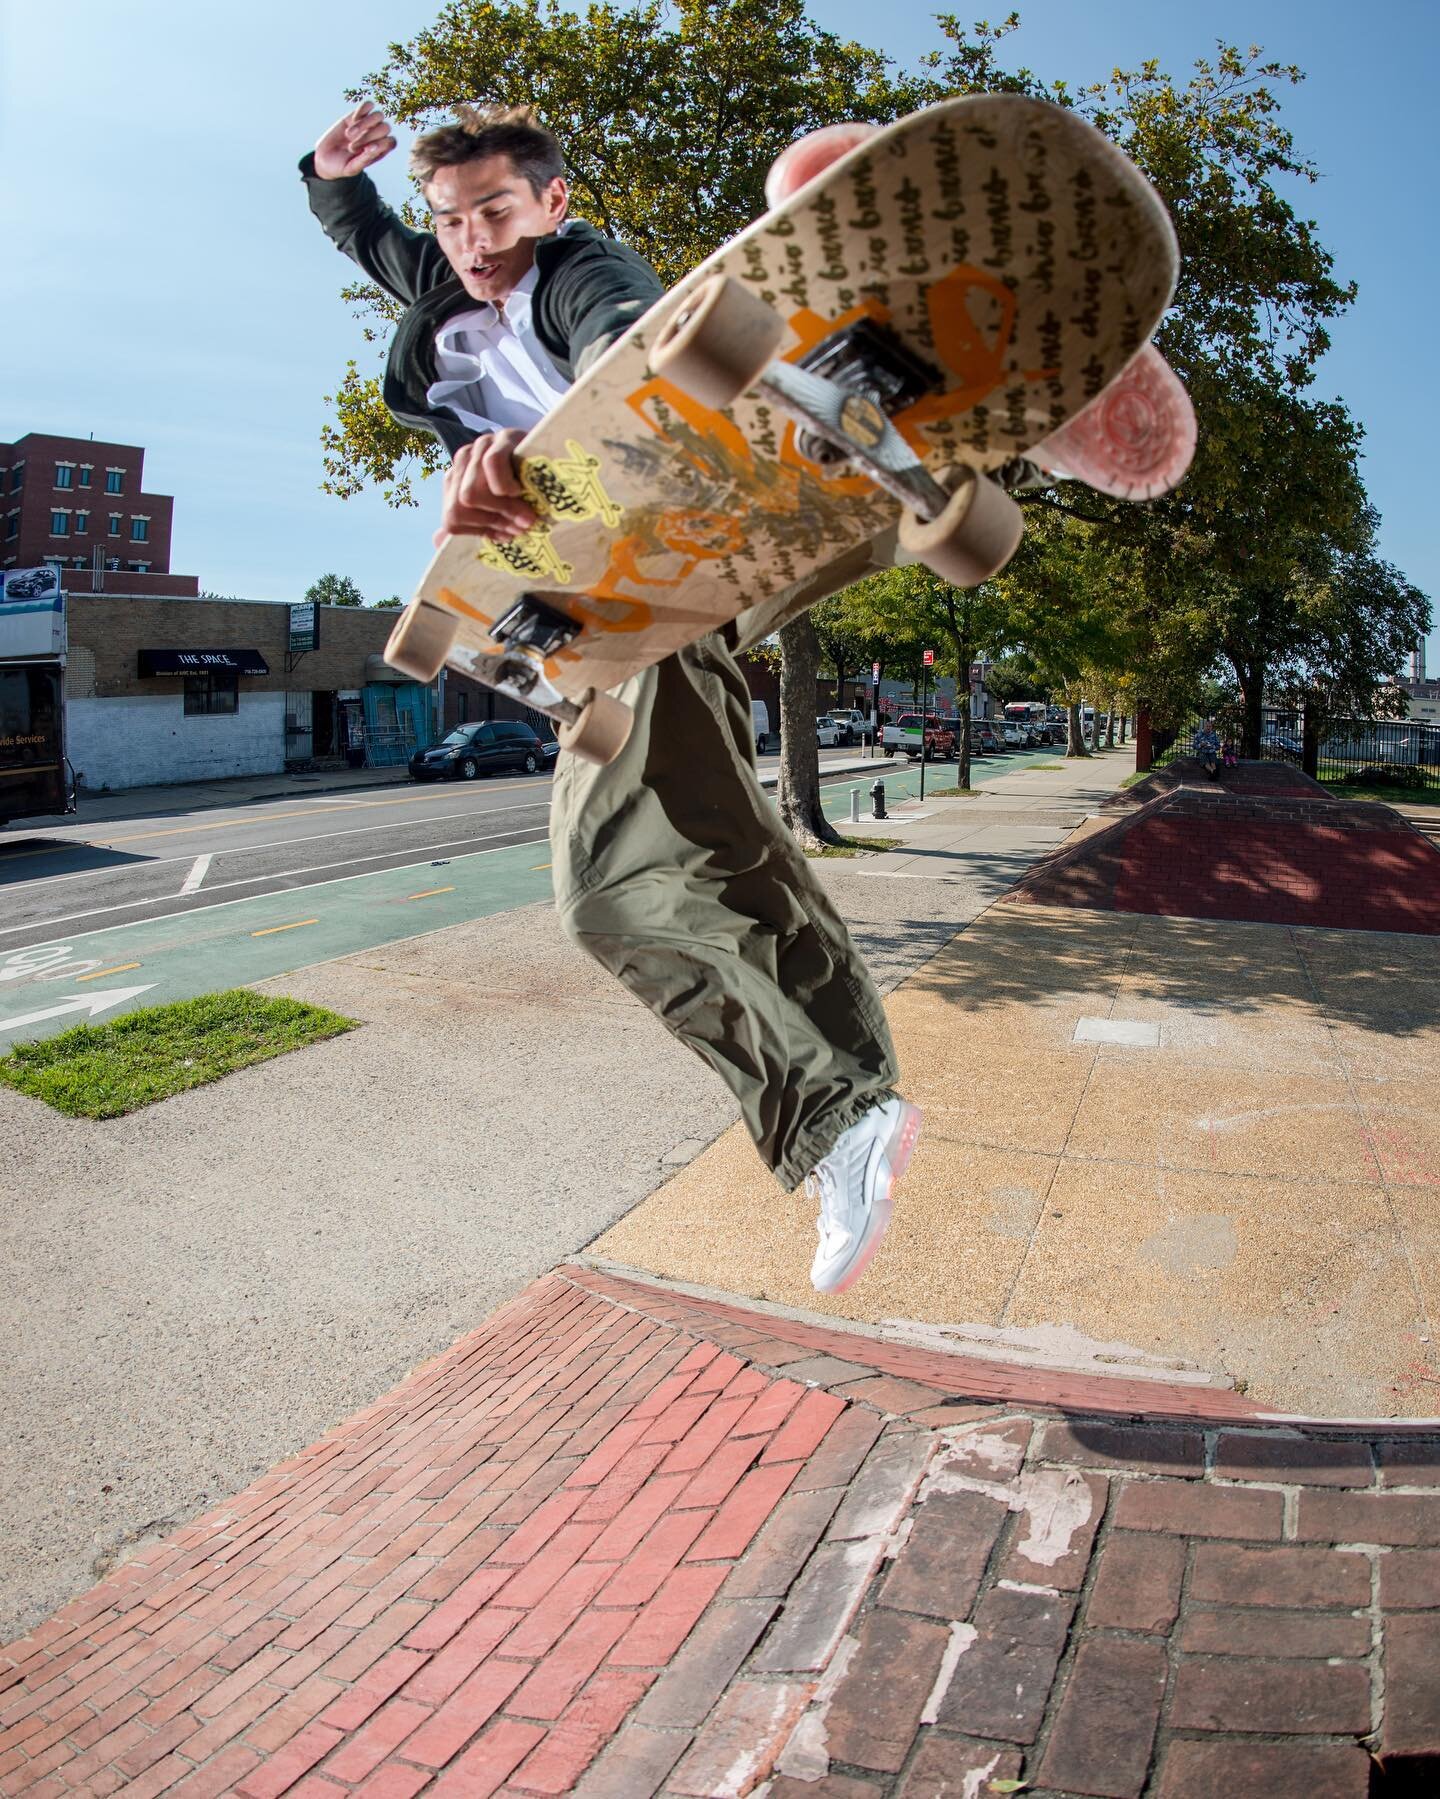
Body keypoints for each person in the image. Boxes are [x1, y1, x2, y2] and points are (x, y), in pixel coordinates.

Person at [301, 102, 919, 1294]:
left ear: (553, 202)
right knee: (732, 853)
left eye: (496, 211)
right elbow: (373, 241)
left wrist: (536, 474)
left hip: (648, 563)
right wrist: (331, 182)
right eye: (453, 219)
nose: (474, 241)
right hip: (607, 615)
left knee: (608, 895)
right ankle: (855, 1105)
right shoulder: (443, 275)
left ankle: (832, 1115)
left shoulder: (583, 276)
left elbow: (631, 375)